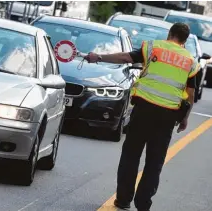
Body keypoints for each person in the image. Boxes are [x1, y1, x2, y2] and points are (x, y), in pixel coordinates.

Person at [84, 23, 201, 211]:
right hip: (168, 116)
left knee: (131, 154)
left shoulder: (153, 47)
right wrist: (185, 117)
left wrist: (98, 57)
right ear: (185, 41)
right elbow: (191, 93)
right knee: (155, 162)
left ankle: (123, 200)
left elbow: (125, 57)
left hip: (144, 109)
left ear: (169, 34)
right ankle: (143, 204)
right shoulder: (190, 62)